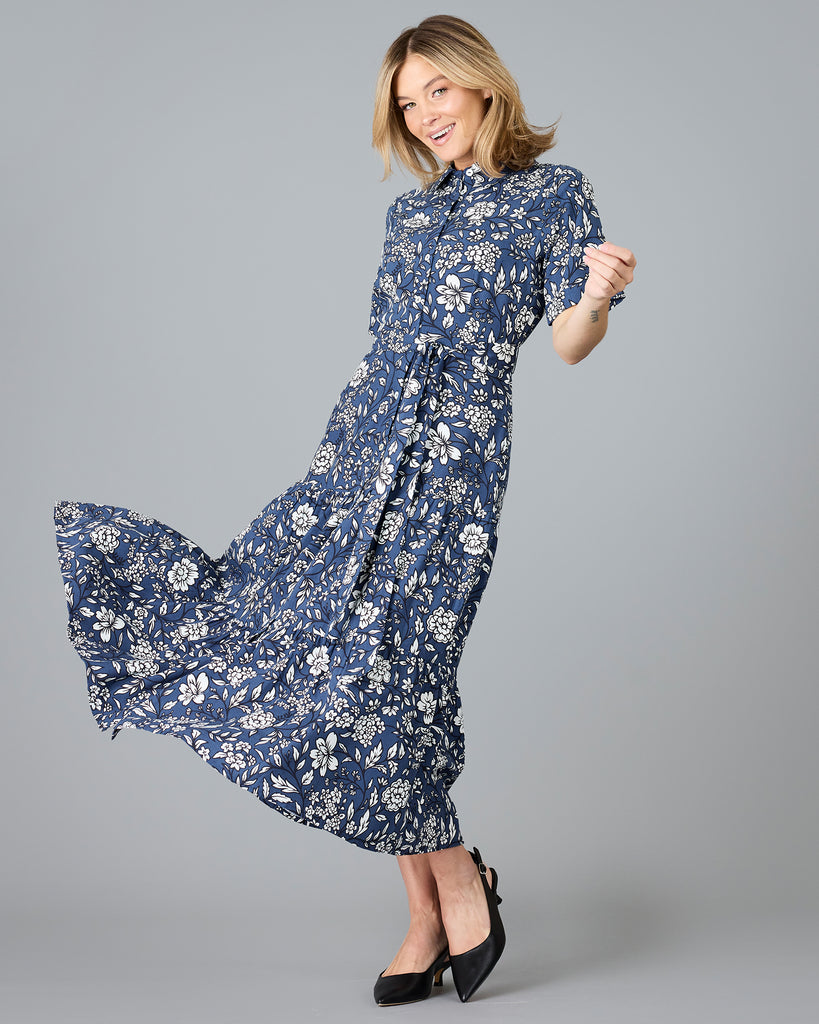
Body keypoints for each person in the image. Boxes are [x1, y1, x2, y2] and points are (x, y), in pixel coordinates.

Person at [53, 13, 635, 1007]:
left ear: (479, 83)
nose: (424, 117)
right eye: (408, 107)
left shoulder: (552, 198)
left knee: (398, 676)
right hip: (353, 460)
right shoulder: (408, 218)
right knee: (334, 668)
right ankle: (434, 903)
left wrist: (596, 294)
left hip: (452, 477)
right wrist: (332, 476)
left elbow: (570, 344)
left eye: (435, 93)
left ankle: (454, 886)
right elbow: (377, 357)